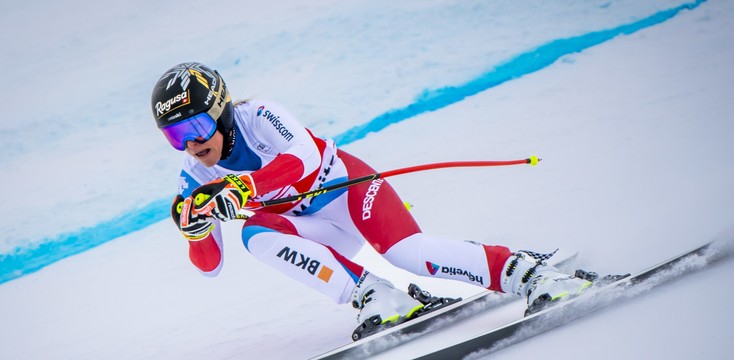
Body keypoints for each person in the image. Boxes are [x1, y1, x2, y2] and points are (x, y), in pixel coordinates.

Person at [150, 62, 593, 327]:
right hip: (318, 229)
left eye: (195, 127)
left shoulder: (260, 115)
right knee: (255, 234)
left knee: (412, 256)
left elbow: (301, 160)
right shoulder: (192, 174)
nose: (191, 144)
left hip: (347, 190)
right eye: (175, 136)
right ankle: (376, 295)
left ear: (222, 111)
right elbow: (210, 268)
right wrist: (195, 231)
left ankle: (529, 274)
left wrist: (242, 186)